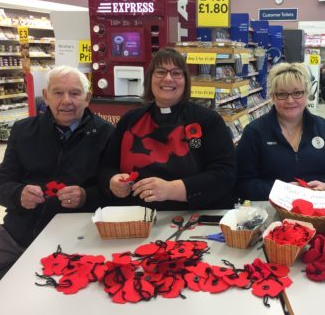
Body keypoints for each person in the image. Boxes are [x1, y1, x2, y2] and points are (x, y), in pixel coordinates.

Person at [0, 65, 114, 279]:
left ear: (87, 98)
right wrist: (18, 194)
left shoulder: (106, 134)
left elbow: (113, 194)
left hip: (74, 241)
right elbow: (1, 183)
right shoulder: (23, 131)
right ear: (46, 96)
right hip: (17, 233)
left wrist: (85, 196)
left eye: (74, 93)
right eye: (58, 93)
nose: (66, 101)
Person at [100, 48, 235, 210]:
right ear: (150, 78)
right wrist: (113, 181)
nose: (168, 78)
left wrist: (172, 190)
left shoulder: (208, 121)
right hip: (135, 219)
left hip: (191, 217)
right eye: (160, 72)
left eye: (177, 73)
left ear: (185, 80)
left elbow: (225, 174)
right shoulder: (130, 121)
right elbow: (105, 167)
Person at [235, 62, 325, 201]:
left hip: (319, 212)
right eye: (282, 94)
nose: (290, 100)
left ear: (307, 94)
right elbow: (241, 183)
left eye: (297, 93)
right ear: (272, 97)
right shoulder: (255, 132)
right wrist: (279, 190)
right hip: (272, 212)